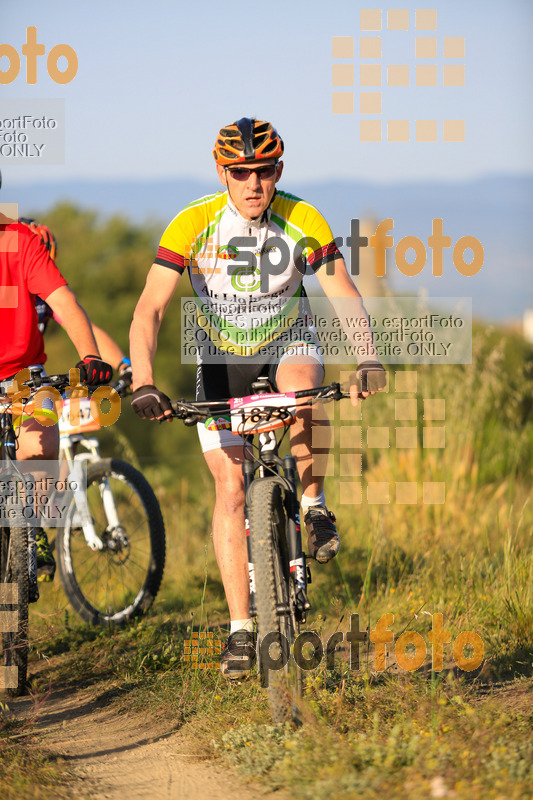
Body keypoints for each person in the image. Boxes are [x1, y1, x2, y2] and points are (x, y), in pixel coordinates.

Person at [129, 118, 386, 677]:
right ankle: (242, 631)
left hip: (288, 341)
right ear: (222, 172)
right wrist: (144, 380)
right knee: (229, 489)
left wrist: (367, 356)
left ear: (279, 172)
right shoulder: (193, 224)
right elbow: (150, 307)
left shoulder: (302, 218)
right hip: (220, 358)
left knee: (303, 391)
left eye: (263, 172)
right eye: (240, 172)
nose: (252, 183)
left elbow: (341, 289)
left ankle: (314, 506)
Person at [0, 172, 113, 582]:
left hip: (23, 376)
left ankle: (33, 528)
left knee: (41, 441)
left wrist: (91, 356)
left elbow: (65, 301)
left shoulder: (20, 242)